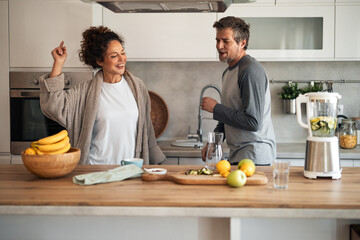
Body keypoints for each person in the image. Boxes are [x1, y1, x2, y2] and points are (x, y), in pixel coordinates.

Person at [39, 26, 165, 165]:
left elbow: (147, 129)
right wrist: (58, 63)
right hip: (95, 170)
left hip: (130, 170)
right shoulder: (85, 92)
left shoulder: (138, 87)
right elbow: (54, 106)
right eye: (113, 56)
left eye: (122, 53)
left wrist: (154, 160)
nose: (121, 59)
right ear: (100, 61)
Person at [201, 16, 276, 166]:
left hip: (255, 155)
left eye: (225, 41)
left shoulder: (250, 70)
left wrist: (216, 108)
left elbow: (253, 122)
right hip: (240, 155)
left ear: (242, 43)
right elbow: (229, 115)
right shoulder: (228, 72)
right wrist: (215, 141)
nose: (219, 46)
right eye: (217, 40)